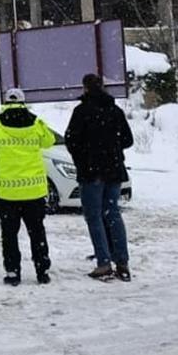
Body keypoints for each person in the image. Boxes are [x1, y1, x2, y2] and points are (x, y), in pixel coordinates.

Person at [0, 88, 54, 286]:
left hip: (7, 193)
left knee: (9, 235)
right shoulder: (36, 123)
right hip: (34, 191)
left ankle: (13, 272)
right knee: (37, 232)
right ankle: (42, 271)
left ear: (5, 101)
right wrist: (36, 120)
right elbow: (50, 140)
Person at [65, 74, 134, 282]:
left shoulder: (81, 112)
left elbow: (71, 140)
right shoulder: (114, 110)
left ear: (85, 88)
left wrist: (85, 156)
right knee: (112, 213)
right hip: (113, 170)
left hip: (90, 172)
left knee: (94, 217)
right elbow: (128, 140)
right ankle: (122, 261)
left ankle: (103, 263)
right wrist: (111, 148)